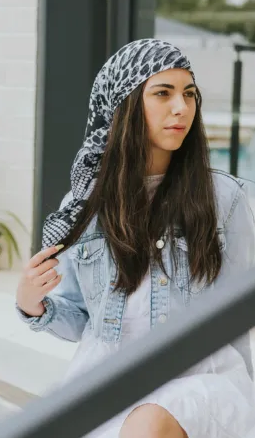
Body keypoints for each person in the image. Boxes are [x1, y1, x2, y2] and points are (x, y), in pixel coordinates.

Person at [16, 39, 255, 438]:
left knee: (148, 426)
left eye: (189, 94)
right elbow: (80, 319)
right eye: (163, 93)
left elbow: (236, 315)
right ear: (124, 105)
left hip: (199, 378)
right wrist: (32, 305)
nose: (182, 107)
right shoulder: (85, 205)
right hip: (109, 382)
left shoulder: (226, 199)